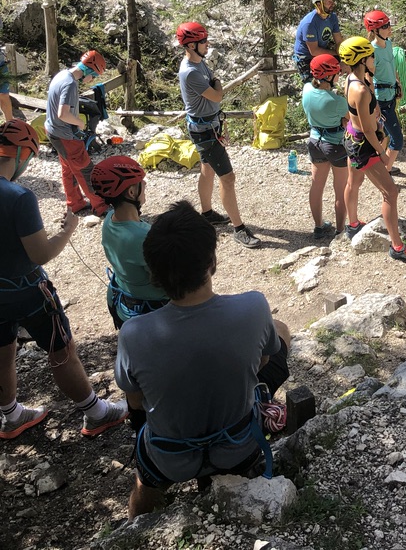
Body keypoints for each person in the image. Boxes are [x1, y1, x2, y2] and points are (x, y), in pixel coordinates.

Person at [115, 202, 290, 518]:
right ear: (212, 262)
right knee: (281, 334)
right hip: (238, 444)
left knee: (143, 485)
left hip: (171, 457)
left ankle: (136, 525)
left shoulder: (133, 333)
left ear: (154, 274)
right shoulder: (253, 307)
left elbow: (136, 402)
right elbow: (264, 361)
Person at [0, 120, 128, 439]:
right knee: (62, 351)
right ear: (21, 154)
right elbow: (40, 254)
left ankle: (11, 415)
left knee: (3, 352)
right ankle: (96, 413)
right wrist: (68, 228)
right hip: (28, 289)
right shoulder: (18, 197)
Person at [339, 36, 406, 264]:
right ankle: (397, 247)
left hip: (351, 138)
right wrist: (381, 151)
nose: (374, 59)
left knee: (353, 183)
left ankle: (353, 224)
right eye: (371, 56)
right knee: (391, 192)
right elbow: (369, 130)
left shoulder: (353, 79)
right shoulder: (361, 91)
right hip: (364, 145)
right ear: (362, 59)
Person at [176, 21, 261, 249]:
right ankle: (239, 228)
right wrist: (217, 85)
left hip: (205, 126)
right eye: (203, 41)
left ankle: (206, 213)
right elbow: (216, 96)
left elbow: (215, 88)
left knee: (207, 168)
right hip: (205, 130)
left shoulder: (198, 63)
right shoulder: (191, 72)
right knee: (228, 178)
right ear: (191, 45)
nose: (207, 44)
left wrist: (216, 85)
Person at [91, 157, 168, 330]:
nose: (145, 185)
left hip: (122, 302)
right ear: (131, 192)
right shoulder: (143, 237)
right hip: (151, 312)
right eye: (141, 182)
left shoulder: (109, 221)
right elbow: (163, 281)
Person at [45, 50, 109, 216]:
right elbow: (63, 113)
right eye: (94, 76)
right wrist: (80, 123)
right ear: (89, 70)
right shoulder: (70, 84)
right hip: (65, 134)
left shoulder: (62, 74)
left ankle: (75, 204)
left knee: (68, 168)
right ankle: (101, 206)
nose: (92, 80)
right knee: (86, 169)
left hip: (53, 131)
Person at [301, 53, 349, 238]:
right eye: (337, 72)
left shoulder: (306, 89)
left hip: (315, 142)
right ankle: (340, 230)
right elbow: (350, 121)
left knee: (317, 186)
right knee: (340, 189)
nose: (339, 75)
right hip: (335, 145)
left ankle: (319, 226)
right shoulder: (337, 102)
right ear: (329, 76)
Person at [364, 9, 404, 176]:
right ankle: (384, 172)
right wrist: (374, 105)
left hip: (390, 95)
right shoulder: (372, 52)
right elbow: (369, 79)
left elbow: (391, 66)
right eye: (385, 26)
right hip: (381, 100)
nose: (390, 28)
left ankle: (383, 168)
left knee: (386, 134)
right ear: (375, 31)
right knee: (397, 139)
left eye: (389, 25)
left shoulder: (388, 44)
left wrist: (398, 83)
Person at [293, 0, 343, 83]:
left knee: (328, 83)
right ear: (319, 4)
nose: (332, 3)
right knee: (314, 85)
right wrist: (336, 54)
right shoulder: (309, 23)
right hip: (305, 58)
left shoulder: (332, 17)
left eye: (332, 0)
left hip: (321, 53)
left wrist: (342, 58)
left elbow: (339, 42)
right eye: (328, 1)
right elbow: (314, 51)